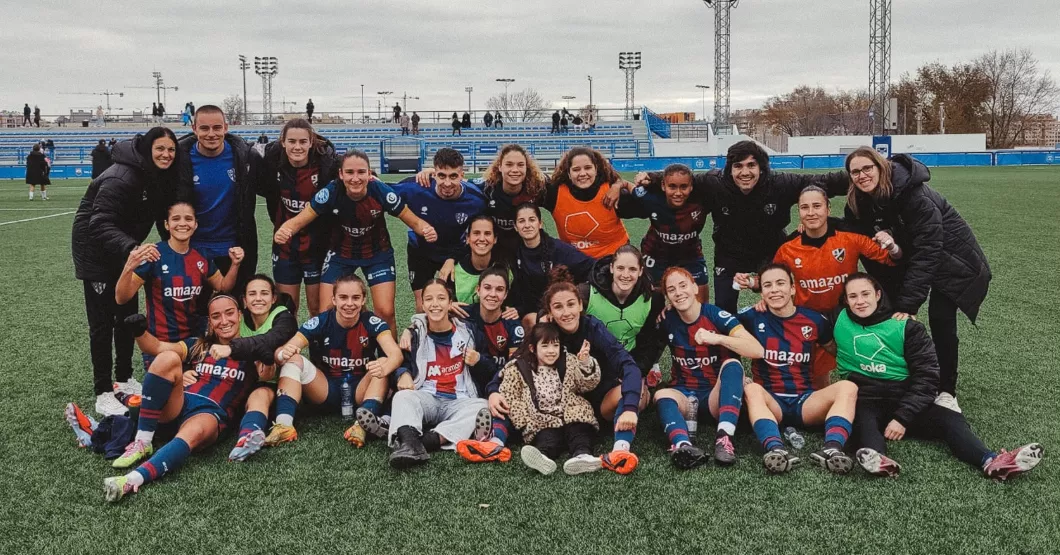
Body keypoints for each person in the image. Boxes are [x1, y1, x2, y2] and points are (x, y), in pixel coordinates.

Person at [837, 273, 1042, 480]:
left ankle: (990, 460)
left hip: (903, 397)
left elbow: (927, 377)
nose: (860, 301)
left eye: (865, 294)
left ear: (878, 294)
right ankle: (878, 460)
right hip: (866, 398)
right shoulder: (839, 319)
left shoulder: (906, 327)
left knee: (950, 418)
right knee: (862, 419)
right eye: (853, 296)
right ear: (845, 300)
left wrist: (902, 417)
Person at [842, 148, 990, 401]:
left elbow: (928, 251)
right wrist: (817, 223)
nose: (862, 175)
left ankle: (946, 391)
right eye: (855, 171)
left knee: (941, 319)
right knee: (893, 313)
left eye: (867, 168)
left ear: (881, 167)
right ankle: (904, 378)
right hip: (909, 258)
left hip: (954, 262)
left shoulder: (915, 196)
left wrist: (910, 303)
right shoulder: (860, 201)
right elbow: (852, 231)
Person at [632, 140, 849, 312]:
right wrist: (651, 177)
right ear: (730, 168)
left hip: (770, 251)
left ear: (762, 168)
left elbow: (827, 181)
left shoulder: (780, 184)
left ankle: (775, 353)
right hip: (729, 254)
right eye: (738, 166)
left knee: (779, 303)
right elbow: (682, 181)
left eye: (751, 165)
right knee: (724, 308)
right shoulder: (714, 183)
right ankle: (730, 359)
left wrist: (866, 174)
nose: (745, 172)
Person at [101, 295, 270, 502]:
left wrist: (270, 355)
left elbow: (268, 375)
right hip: (181, 403)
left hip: (210, 413)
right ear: (209, 321)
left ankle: (131, 479)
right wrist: (139, 332)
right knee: (168, 358)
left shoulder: (252, 350)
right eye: (216, 316)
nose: (224, 321)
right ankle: (143, 441)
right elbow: (157, 348)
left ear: (240, 315)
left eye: (229, 313)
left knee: (195, 430)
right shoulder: (199, 345)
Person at [71, 127, 186, 415]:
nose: (166, 154)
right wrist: (132, 248)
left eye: (171, 149)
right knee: (102, 324)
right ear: (147, 150)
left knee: (127, 317)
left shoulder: (157, 175)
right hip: (97, 255)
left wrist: (171, 247)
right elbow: (98, 223)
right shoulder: (121, 176)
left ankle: (123, 379)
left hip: (126, 253)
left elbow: (161, 216)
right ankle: (103, 391)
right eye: (160, 148)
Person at [274, 149, 436, 331]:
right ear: (341, 174)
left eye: (361, 172)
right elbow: (301, 219)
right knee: (326, 311)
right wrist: (285, 229)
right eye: (350, 172)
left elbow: (413, 221)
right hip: (340, 254)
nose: (355, 178)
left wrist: (426, 229)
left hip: (377, 254)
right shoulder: (331, 192)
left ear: (369, 173)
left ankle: (392, 357)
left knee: (385, 311)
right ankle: (325, 358)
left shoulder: (380, 191)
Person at [769, 185, 901, 388]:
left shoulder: (850, 239)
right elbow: (773, 278)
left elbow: (892, 259)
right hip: (808, 318)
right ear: (799, 212)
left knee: (863, 365)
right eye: (805, 207)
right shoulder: (788, 249)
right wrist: (754, 284)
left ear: (828, 209)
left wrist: (892, 245)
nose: (811, 212)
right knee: (811, 376)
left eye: (817, 206)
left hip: (846, 316)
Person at [738, 263, 858, 475]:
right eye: (767, 285)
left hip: (805, 401)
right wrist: (737, 373)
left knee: (847, 387)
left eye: (780, 283)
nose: (774, 289)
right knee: (752, 389)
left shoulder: (814, 320)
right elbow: (716, 330)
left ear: (793, 289)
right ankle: (776, 449)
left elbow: (836, 351)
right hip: (770, 402)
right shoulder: (750, 317)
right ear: (762, 292)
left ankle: (832, 448)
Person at [266, 274, 404, 449]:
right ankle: (284, 425)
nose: (349, 303)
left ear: (363, 300)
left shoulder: (372, 322)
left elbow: (396, 355)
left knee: (382, 363)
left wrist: (385, 366)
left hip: (360, 391)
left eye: (355, 298)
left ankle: (361, 425)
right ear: (334, 299)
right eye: (343, 297)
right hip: (325, 389)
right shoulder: (321, 321)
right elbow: (288, 348)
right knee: (293, 359)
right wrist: (284, 353)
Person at [535, 269, 645, 474]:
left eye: (571, 305)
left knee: (639, 392)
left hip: (600, 399)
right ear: (549, 312)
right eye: (558, 307)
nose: (566, 312)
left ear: (580, 305)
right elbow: (519, 364)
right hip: (565, 405)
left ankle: (620, 450)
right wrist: (495, 390)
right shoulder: (545, 333)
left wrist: (630, 406)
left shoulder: (593, 327)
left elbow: (628, 364)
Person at [653, 267, 763, 468]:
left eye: (683, 285)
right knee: (661, 395)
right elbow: (650, 351)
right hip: (685, 397)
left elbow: (757, 349)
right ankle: (682, 445)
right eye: (671, 290)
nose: (678, 292)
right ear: (668, 296)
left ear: (695, 288)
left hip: (715, 396)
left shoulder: (714, 314)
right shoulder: (667, 320)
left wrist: (717, 338)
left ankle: (724, 438)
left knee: (733, 365)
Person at [114, 201, 243, 364]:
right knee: (170, 384)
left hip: (195, 342)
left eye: (188, 219)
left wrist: (235, 264)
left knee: (202, 385)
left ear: (195, 224)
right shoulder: (154, 254)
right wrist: (128, 267)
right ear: (167, 225)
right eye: (176, 219)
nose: (182, 223)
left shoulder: (201, 255)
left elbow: (223, 286)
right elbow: (121, 298)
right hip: (160, 343)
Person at [387, 280, 494, 469]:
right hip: (428, 396)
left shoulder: (468, 331)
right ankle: (411, 441)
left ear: (450, 303)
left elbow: (490, 370)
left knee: (483, 406)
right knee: (403, 397)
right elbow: (400, 362)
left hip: (459, 399)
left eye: (441, 298)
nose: (435, 304)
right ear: (422, 304)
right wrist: (402, 373)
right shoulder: (415, 334)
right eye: (429, 299)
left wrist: (479, 361)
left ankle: (420, 442)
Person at [252, 118, 341, 317]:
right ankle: (288, 349)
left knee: (319, 309)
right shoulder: (271, 161)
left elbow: (356, 172)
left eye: (303, 142)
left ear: (312, 142)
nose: (297, 147)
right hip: (286, 246)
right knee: (285, 309)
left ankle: (319, 348)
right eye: (292, 141)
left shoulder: (327, 163)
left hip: (318, 245)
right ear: (283, 142)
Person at [499, 322, 604, 475]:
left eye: (555, 345)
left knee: (580, 432)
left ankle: (582, 456)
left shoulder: (569, 361)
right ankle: (543, 458)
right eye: (545, 346)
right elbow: (510, 395)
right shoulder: (518, 368)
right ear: (532, 348)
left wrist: (585, 363)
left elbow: (586, 384)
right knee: (547, 439)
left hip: (572, 413)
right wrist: (524, 420)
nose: (551, 351)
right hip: (542, 420)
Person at [392, 148, 487, 312]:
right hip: (420, 251)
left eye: (453, 176)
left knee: (456, 305)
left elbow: (474, 235)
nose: (447, 183)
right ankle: (424, 337)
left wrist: (452, 258)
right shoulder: (416, 188)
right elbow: (381, 191)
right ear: (434, 174)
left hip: (456, 253)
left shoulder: (476, 200)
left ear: (462, 176)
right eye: (442, 175)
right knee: (423, 305)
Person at [416, 143, 547, 259]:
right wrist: (432, 171)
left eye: (520, 165)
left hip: (525, 245)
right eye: (509, 164)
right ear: (500, 166)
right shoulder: (487, 187)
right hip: (494, 247)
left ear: (527, 167)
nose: (514, 170)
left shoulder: (537, 188)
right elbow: (460, 180)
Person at [178, 105, 257, 293]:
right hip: (193, 249)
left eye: (217, 128)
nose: (211, 134)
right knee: (194, 315)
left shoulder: (245, 157)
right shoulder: (180, 160)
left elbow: (273, 188)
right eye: (204, 128)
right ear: (194, 129)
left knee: (233, 312)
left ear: (226, 128)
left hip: (233, 251)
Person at [224, 274, 299, 461]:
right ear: (244, 299)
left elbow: (271, 340)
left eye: (264, 293)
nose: (258, 298)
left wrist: (257, 355)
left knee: (260, 394)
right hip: (244, 380)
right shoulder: (237, 319)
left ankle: (246, 438)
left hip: (277, 385)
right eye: (252, 294)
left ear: (273, 298)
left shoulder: (284, 317)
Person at [614, 163, 711, 301]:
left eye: (683, 187)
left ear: (691, 187)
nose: (678, 193)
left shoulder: (702, 201)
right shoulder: (650, 198)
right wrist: (618, 185)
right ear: (663, 186)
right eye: (672, 187)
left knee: (701, 302)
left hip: (690, 254)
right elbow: (630, 186)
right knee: (654, 301)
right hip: (656, 253)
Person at [576, 245, 665, 378]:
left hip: (628, 362)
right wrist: (545, 314)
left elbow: (649, 344)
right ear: (612, 268)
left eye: (632, 269)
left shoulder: (652, 298)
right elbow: (558, 300)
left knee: (638, 398)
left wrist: (637, 374)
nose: (625, 275)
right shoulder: (587, 293)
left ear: (641, 271)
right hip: (593, 363)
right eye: (620, 268)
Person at [509, 203, 595, 325]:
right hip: (532, 311)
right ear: (515, 227)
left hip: (559, 310)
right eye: (522, 221)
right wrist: (517, 309)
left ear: (540, 224)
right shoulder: (515, 252)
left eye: (532, 220)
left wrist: (577, 293)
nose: (527, 225)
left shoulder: (558, 249)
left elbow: (592, 267)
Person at [545, 147, 630, 258]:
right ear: (569, 173)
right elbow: (530, 185)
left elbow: (645, 202)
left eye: (588, 168)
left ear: (596, 169)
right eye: (576, 169)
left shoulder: (611, 191)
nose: (582, 173)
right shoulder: (554, 193)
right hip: (575, 260)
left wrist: (623, 184)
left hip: (613, 258)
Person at [438, 215, 509, 305]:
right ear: (468, 238)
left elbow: (513, 304)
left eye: (487, 233)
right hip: (461, 319)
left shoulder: (506, 269)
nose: (482, 239)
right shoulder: (453, 272)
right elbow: (440, 305)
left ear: (495, 239)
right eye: (476, 233)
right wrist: (448, 307)